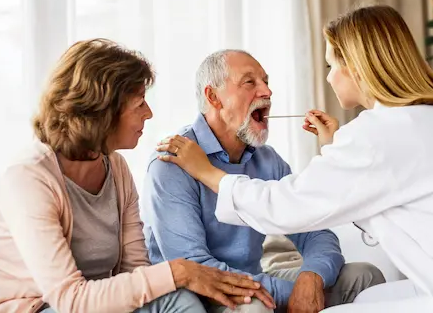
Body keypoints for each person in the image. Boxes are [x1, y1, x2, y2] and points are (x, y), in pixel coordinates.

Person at [156, 6, 433, 312]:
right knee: (364, 302)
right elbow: (396, 183)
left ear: (357, 67)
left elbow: (287, 208)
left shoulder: (380, 134)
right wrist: (337, 148)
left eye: (331, 65)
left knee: (362, 290)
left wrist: (208, 172)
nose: (328, 77)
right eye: (251, 82)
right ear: (212, 97)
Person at [0, 39, 263, 313]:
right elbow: (70, 300)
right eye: (138, 104)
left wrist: (174, 280)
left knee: (178, 302)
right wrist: (178, 271)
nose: (149, 113)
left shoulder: (116, 168)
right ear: (101, 112)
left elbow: (135, 271)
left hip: (93, 303)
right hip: (34, 307)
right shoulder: (27, 178)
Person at [142, 49, 385, 313]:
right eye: (250, 82)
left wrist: (312, 277)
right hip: (199, 298)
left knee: (364, 277)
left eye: (266, 82)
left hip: (254, 286)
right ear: (214, 97)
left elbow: (316, 229)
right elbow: (195, 267)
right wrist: (294, 293)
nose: (267, 92)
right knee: (254, 308)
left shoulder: (268, 160)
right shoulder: (172, 162)